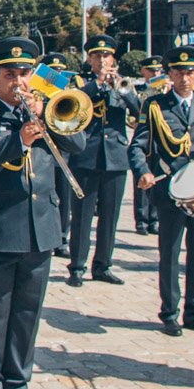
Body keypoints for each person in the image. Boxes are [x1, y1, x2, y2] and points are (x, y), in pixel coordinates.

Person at [0, 37, 85, 389]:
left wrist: (44, 115)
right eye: (10, 74)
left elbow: (77, 143)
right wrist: (19, 140)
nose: (18, 80)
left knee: (28, 312)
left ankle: (18, 383)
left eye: (24, 73)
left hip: (39, 226)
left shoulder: (45, 111)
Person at [128, 46, 194, 339]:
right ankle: (170, 312)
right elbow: (137, 146)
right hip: (170, 189)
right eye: (178, 73)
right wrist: (143, 171)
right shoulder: (155, 105)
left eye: (190, 73)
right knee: (170, 252)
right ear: (170, 75)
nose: (185, 78)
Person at [66, 35, 139, 287]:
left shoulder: (122, 83)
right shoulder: (80, 82)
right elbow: (75, 102)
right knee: (83, 215)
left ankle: (103, 265)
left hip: (116, 157)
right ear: (90, 59)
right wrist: (98, 83)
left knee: (111, 215)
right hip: (86, 155)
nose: (102, 60)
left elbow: (139, 110)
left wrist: (123, 88)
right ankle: (76, 266)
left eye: (106, 56)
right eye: (97, 56)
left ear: (113, 58)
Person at [38, 53, 73, 259]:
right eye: (51, 72)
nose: (55, 75)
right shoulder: (36, 93)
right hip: (43, 156)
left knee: (64, 201)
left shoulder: (66, 91)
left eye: (59, 72)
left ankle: (61, 239)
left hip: (62, 156)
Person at [133, 56, 165, 236]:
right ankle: (141, 220)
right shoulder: (140, 91)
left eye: (158, 71)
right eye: (152, 71)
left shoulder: (165, 90)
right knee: (142, 180)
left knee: (158, 179)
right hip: (145, 140)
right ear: (143, 72)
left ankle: (154, 219)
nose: (156, 74)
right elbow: (136, 108)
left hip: (160, 141)